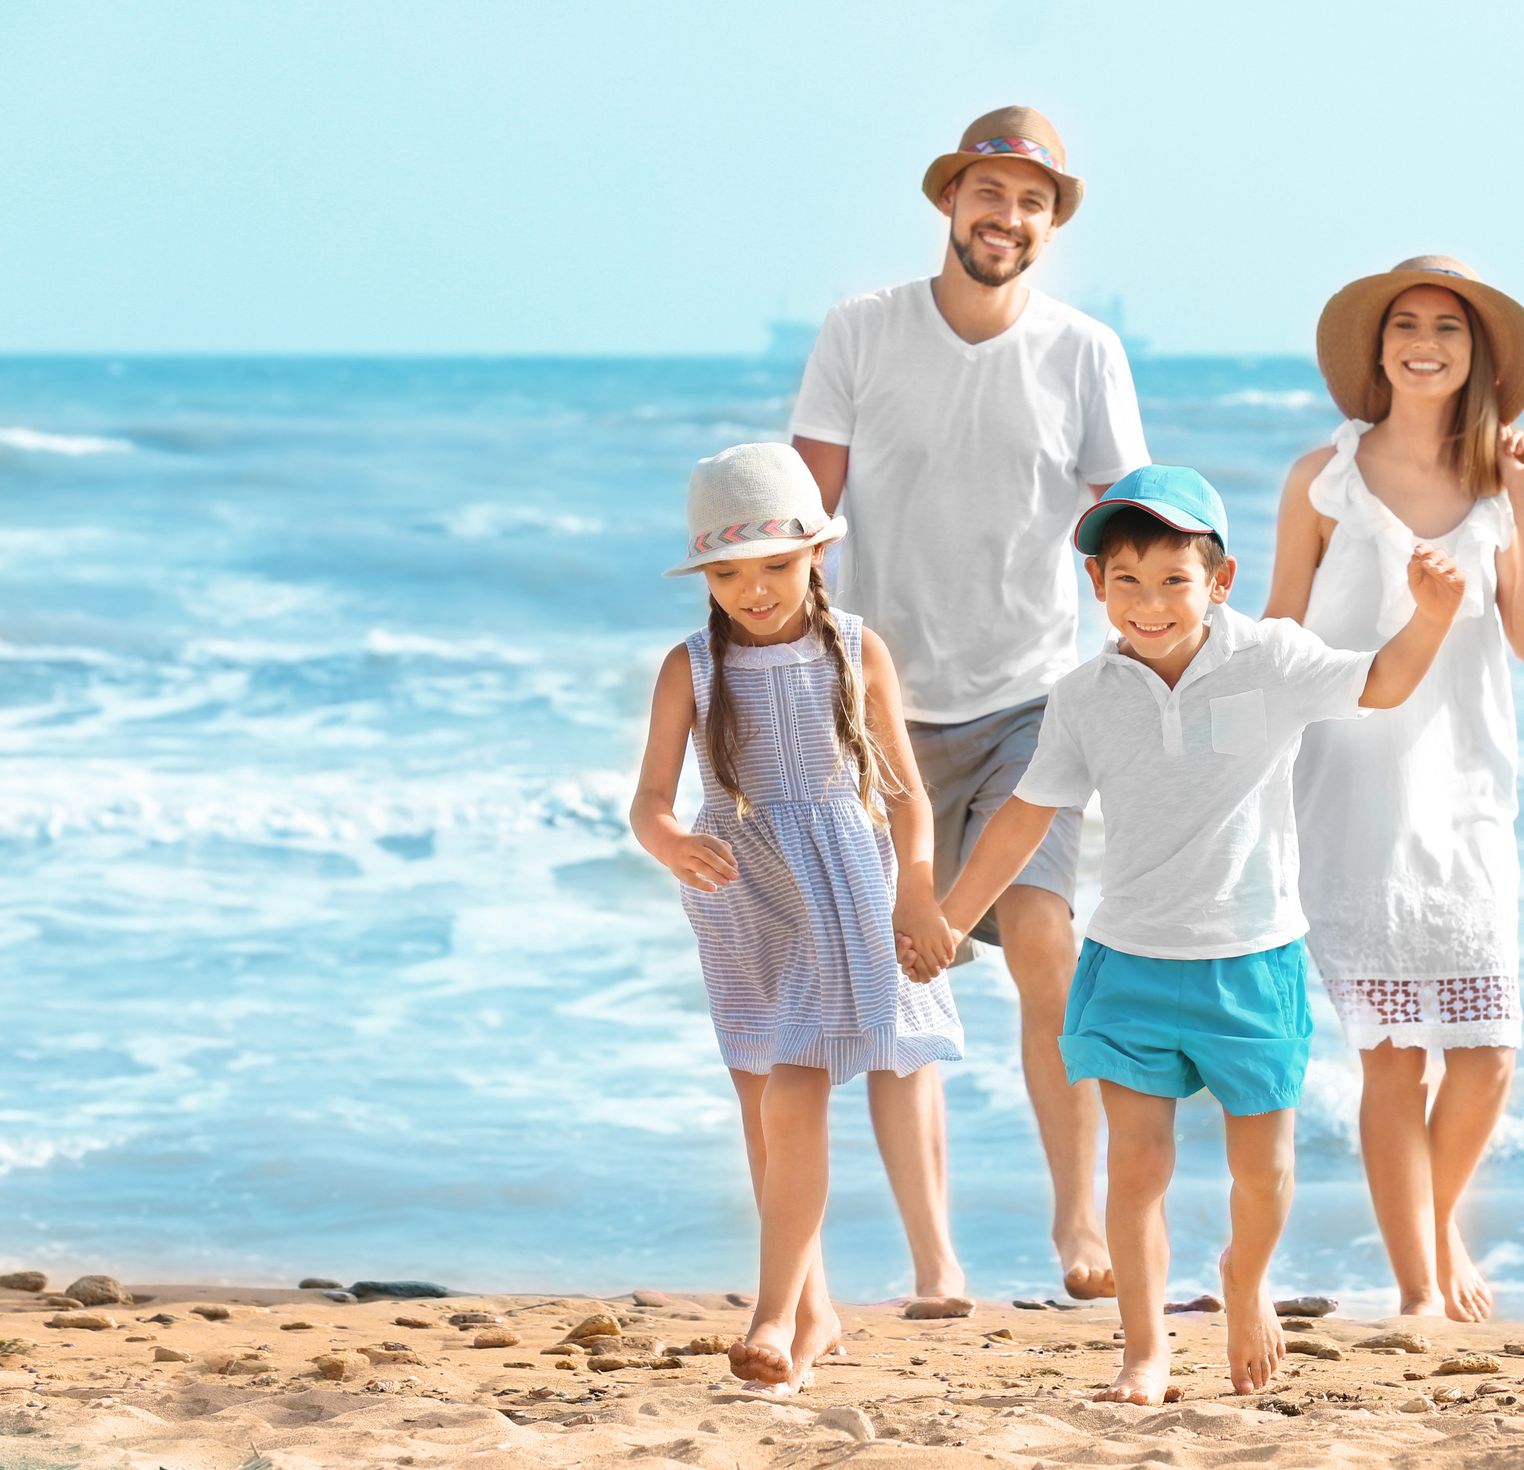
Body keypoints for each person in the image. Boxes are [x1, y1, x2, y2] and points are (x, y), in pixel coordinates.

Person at [927, 465, 1467, 1403]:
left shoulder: (1272, 659)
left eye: (1173, 580)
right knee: (1137, 1167)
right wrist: (945, 915)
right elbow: (1023, 816)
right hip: (1129, 960)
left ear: (1217, 581)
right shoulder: (1085, 695)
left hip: (1251, 961)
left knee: (1264, 1172)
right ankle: (1143, 1352)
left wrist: (1427, 616)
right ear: (1097, 588)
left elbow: (1380, 684)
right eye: (1126, 581)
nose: (1148, 603)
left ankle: (1243, 1281)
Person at [788, 104, 1150, 1302]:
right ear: (951, 201)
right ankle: (937, 1265)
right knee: (906, 974)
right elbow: (808, 518)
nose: (1009, 218)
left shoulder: (1085, 352)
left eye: (1034, 201)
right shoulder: (861, 331)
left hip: (1029, 704)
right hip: (882, 708)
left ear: (1053, 222)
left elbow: (1123, 528)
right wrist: (792, 681)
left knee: (1046, 945)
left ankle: (1078, 1225)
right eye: (991, 194)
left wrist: (1156, 668)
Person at [1264, 255, 1524, 1322]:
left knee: (1487, 1052)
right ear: (1377, 346)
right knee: (1393, 1061)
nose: (1424, 340)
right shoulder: (1322, 481)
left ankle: (1436, 1228)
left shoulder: (1498, 486)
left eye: (1447, 325)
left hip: (1468, 791)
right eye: (1405, 323)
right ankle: (1418, 1290)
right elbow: (1280, 636)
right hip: (1349, 790)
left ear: (1477, 353)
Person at [627, 443, 963, 1396]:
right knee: (761, 1104)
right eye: (729, 573)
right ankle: (812, 1308)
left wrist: (917, 887)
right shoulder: (689, 667)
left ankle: (772, 1318)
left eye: (775, 564)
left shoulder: (856, 650)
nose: (754, 589)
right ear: (705, 577)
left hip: (841, 891)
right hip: (741, 897)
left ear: (816, 553)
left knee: (797, 1086)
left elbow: (904, 795)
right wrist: (671, 846)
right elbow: (651, 799)